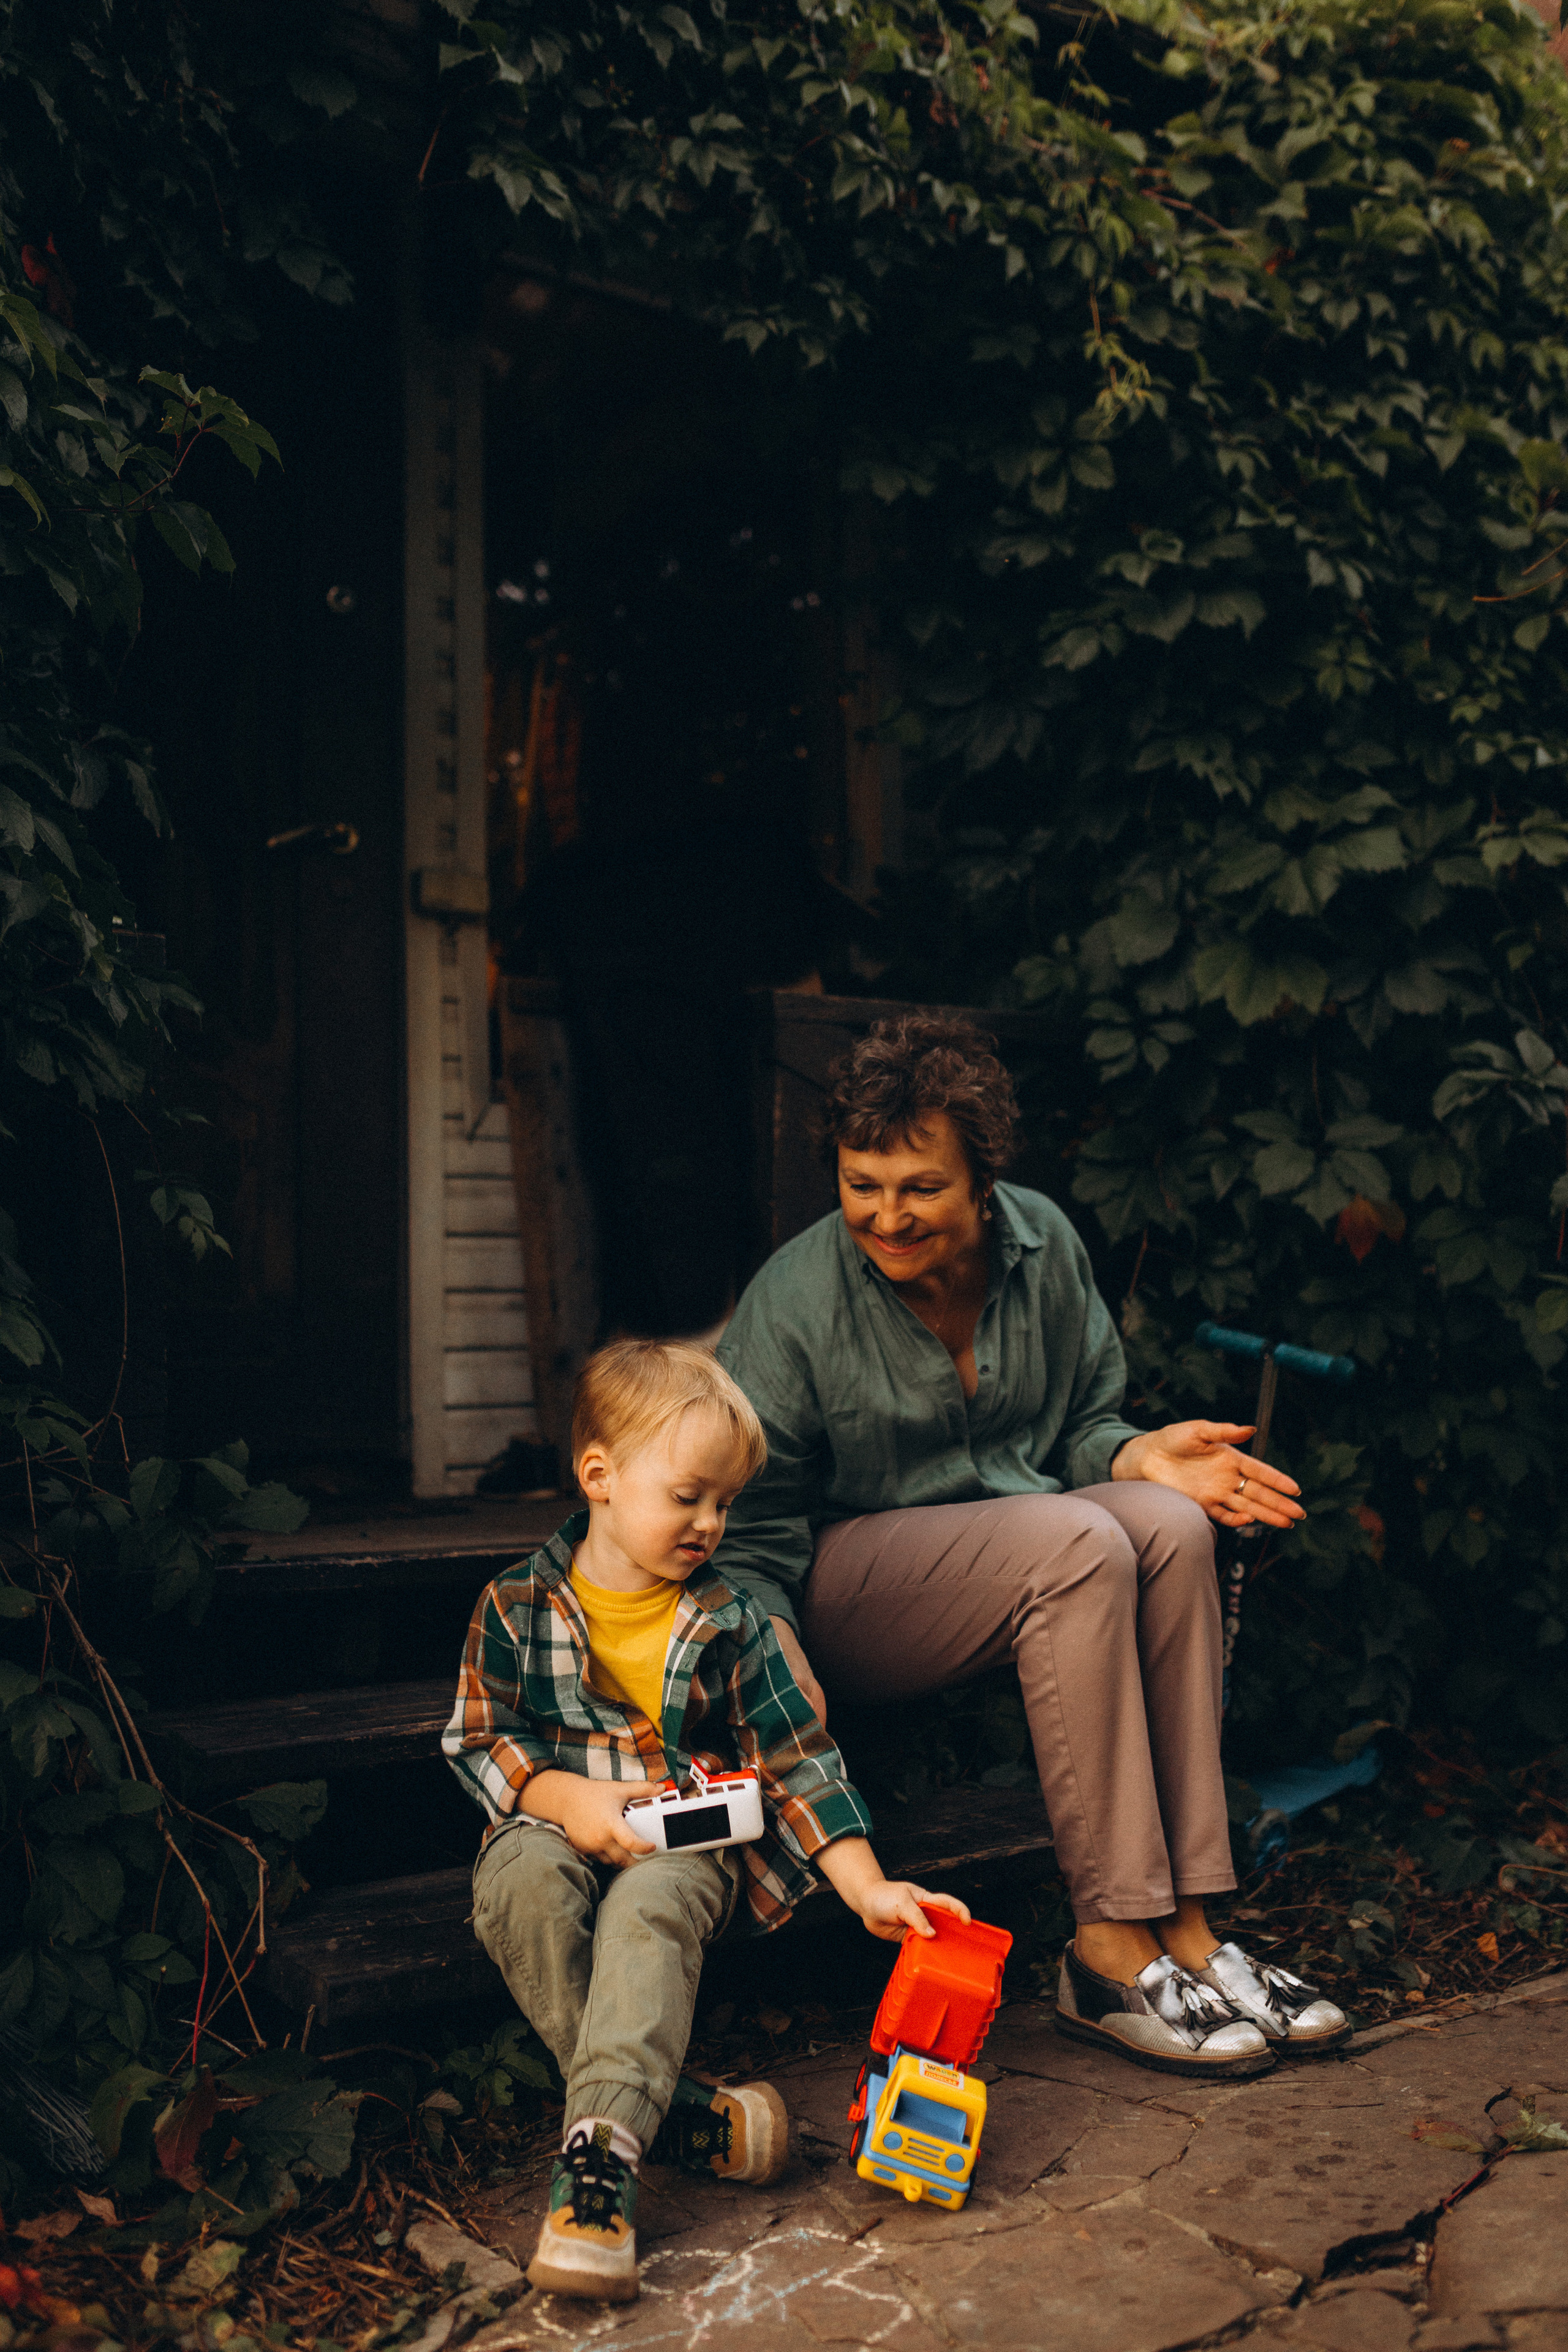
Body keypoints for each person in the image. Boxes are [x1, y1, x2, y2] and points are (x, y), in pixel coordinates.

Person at [714, 1012, 1350, 2078]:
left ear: (983, 1184)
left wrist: (1138, 1454)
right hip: (836, 1591)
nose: (885, 1214)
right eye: (861, 1183)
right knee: (1077, 1541)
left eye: (919, 1187)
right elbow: (747, 1527)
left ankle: (1192, 1925)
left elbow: (1080, 1433)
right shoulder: (796, 1300)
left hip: (1024, 1548)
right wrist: (767, 1678)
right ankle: (1105, 1950)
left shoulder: (1044, 1246)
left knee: (1167, 1526)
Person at [443, 1338, 971, 2305]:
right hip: (551, 1828)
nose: (710, 1523)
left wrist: (865, 1884)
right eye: (688, 1495)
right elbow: (482, 1741)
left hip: (682, 1848)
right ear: (599, 1476)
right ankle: (675, 2115)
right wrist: (568, 1801)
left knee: (651, 1906)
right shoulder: (515, 1605)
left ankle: (596, 2174)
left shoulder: (733, 1621)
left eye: (725, 1504)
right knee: (518, 1884)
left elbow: (799, 1761)